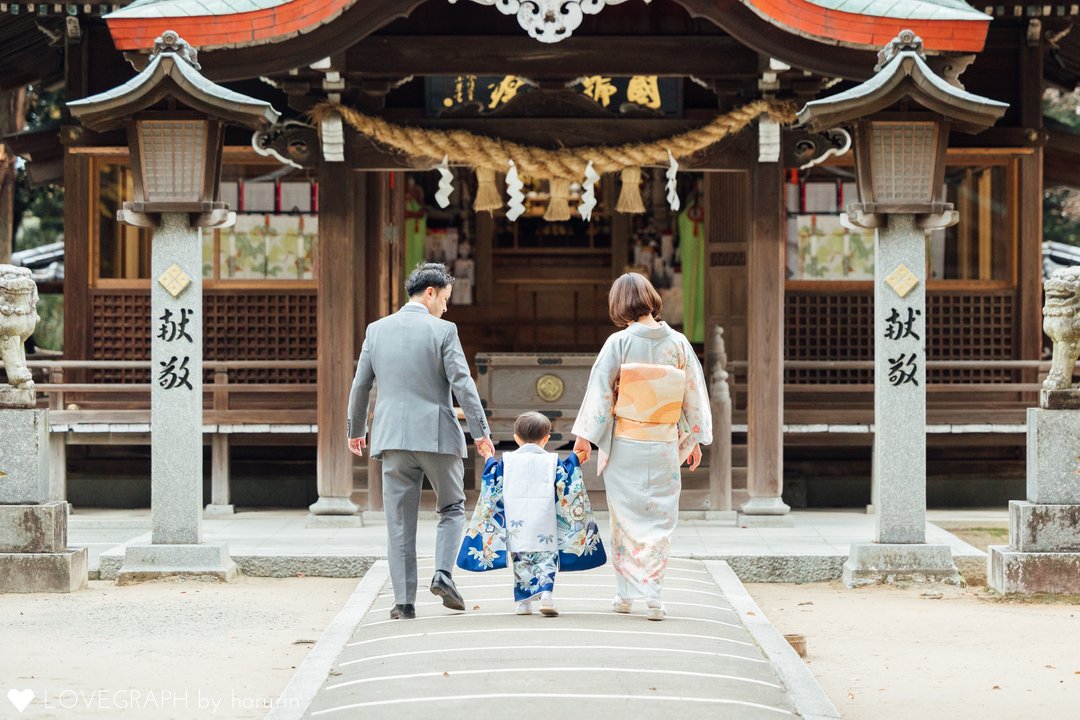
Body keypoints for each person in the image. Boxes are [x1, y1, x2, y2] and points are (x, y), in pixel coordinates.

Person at [347, 262, 494, 620]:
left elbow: (360, 385)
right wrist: (481, 434)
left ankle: (403, 603)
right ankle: (443, 574)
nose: (446, 307)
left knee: (398, 521)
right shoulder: (443, 331)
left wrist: (356, 430)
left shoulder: (376, 330)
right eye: (444, 299)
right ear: (430, 293)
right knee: (452, 508)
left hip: (392, 439)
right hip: (438, 436)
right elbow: (463, 384)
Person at [572, 272, 712, 621]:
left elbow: (600, 394)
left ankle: (624, 595)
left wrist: (585, 437)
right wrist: (691, 437)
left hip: (625, 441)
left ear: (619, 305)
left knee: (625, 519)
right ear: (651, 298)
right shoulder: (678, 343)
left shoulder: (618, 343)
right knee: (660, 518)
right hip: (663, 440)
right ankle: (654, 594)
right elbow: (691, 396)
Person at [457, 411, 606, 617]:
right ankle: (546, 595)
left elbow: (494, 479)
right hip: (545, 522)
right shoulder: (552, 461)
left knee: (522, 561)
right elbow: (567, 479)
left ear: (516, 438)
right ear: (546, 439)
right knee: (546, 559)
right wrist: (575, 459)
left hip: (517, 523)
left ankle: (523, 604)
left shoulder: (506, 461)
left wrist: (488, 457)